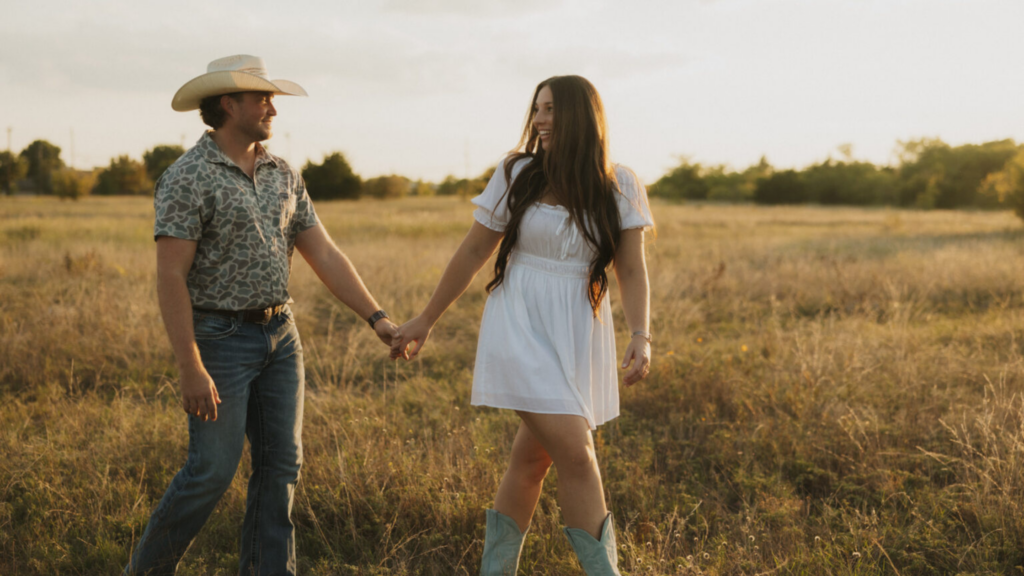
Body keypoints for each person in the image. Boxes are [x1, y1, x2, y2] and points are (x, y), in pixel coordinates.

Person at [125, 54, 401, 576]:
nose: (273, 107)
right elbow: (170, 277)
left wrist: (377, 317)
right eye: (262, 97)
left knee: (281, 467)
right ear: (229, 104)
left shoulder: (283, 173)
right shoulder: (187, 177)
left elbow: (324, 253)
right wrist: (190, 365)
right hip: (218, 339)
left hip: (281, 335)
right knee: (210, 470)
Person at [391, 75, 654, 576]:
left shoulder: (619, 183)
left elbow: (632, 269)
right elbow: (473, 250)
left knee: (533, 461)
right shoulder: (518, 173)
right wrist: (426, 319)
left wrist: (642, 335)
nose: (539, 120)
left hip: (577, 329)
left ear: (580, 115)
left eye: (551, 109)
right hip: (519, 322)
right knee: (577, 455)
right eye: (537, 109)